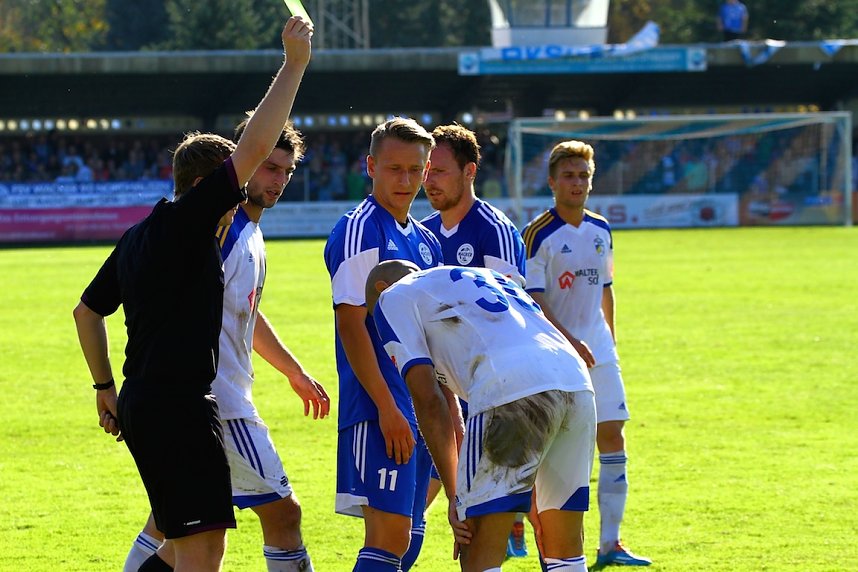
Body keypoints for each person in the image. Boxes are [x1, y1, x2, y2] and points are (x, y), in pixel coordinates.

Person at [72, 16, 313, 572]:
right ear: (207, 187)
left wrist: (105, 388)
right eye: (235, 185)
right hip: (181, 406)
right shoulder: (189, 223)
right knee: (203, 549)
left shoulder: (139, 234)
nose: (239, 199)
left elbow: (86, 311)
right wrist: (294, 63)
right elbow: (257, 143)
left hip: (141, 403)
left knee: (182, 540)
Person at [120, 119, 330, 572]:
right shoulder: (221, 233)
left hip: (202, 401)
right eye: (269, 167)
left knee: (173, 527)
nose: (278, 181)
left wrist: (292, 371)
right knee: (282, 514)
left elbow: (244, 311)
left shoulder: (246, 230)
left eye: (287, 171)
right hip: (218, 403)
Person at [365, 260, 596, 572]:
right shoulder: (484, 277)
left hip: (508, 386)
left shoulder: (392, 297)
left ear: (380, 289)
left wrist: (455, 496)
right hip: (575, 382)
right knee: (565, 552)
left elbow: (428, 399)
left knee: (477, 551)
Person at [521, 140, 652, 568]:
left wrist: (609, 341)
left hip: (599, 351)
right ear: (552, 182)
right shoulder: (538, 234)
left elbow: (606, 290)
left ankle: (610, 543)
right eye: (569, 176)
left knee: (613, 436)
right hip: (555, 355)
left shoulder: (601, 229)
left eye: (584, 176)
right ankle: (526, 526)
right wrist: (570, 342)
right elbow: (534, 300)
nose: (577, 183)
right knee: (547, 448)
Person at [323, 117, 443, 572]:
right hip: (379, 408)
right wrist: (387, 408)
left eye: (415, 170)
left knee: (409, 536)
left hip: (421, 405)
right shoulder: (360, 230)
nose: (405, 180)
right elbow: (351, 324)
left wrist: (445, 411)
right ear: (371, 166)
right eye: (394, 169)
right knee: (389, 536)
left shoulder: (426, 240)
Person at [419, 123, 529, 558]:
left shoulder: (494, 230)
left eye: (439, 171)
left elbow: (511, 320)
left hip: (490, 391)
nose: (429, 179)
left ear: (469, 172)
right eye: (427, 170)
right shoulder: (423, 233)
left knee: (485, 523)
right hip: (439, 391)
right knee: (417, 509)